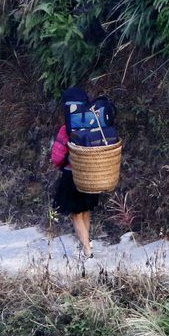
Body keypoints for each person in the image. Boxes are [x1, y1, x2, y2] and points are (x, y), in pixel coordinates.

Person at [50, 86, 102, 258]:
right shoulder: (96, 124)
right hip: (92, 174)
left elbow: (57, 156)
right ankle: (88, 245)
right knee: (85, 210)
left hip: (72, 176)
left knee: (75, 214)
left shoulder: (67, 129)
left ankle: (87, 249)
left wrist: (61, 164)